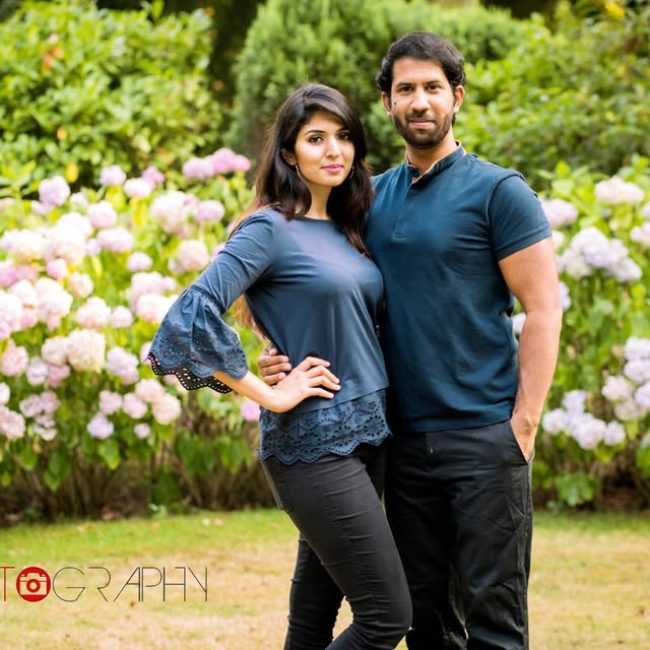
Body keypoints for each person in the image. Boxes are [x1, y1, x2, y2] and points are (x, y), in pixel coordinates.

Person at [259, 33, 563, 649]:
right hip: (398, 445)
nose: (419, 101)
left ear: (456, 96)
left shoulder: (498, 191)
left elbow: (543, 309)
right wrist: (280, 359)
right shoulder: (369, 199)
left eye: (431, 88)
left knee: (495, 622)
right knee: (427, 623)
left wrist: (523, 423)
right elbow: (326, 289)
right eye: (405, 90)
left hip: (483, 438)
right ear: (387, 102)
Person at [147, 83, 411, 649]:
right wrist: (268, 392)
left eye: (343, 136)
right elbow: (186, 317)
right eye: (315, 138)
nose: (333, 149)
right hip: (313, 447)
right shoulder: (269, 227)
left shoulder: (347, 230)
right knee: (388, 616)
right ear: (289, 153)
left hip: (370, 438)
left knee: (313, 620)